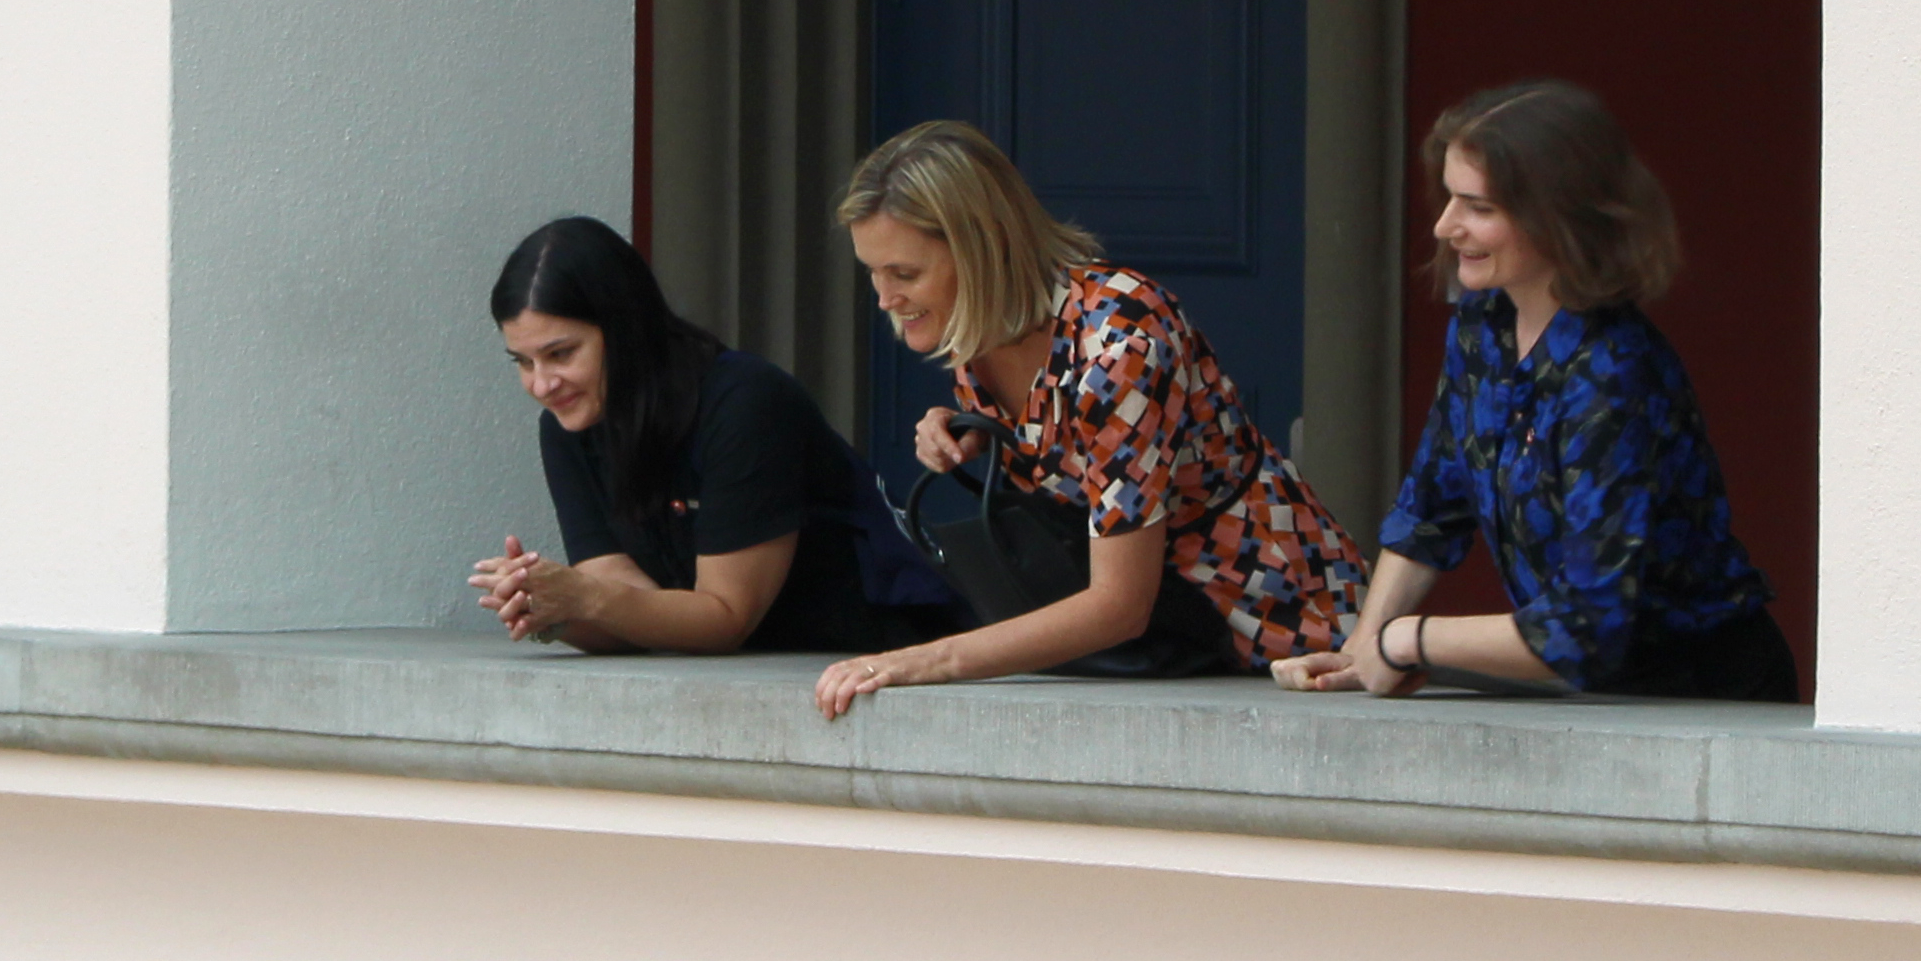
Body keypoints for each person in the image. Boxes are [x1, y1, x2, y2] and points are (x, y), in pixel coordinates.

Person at [810, 121, 1364, 719]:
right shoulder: (979, 329)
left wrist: (923, 661)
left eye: (905, 273)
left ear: (982, 249)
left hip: (1281, 634)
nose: (884, 298)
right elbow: (1078, 451)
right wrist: (968, 427)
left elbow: (1118, 604)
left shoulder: (1118, 340)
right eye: (874, 271)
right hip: (1164, 655)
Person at [1272, 81, 1796, 702]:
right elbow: (1431, 512)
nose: (1445, 226)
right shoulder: (1482, 326)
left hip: (1699, 697)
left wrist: (1410, 640)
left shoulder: (1613, 371)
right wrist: (1363, 650)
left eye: (1479, 207)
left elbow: (1584, 630)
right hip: (1593, 695)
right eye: (1448, 199)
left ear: (1559, 215)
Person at [468, 216, 906, 654]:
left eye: (560, 354)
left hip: (874, 667)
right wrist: (546, 609)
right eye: (523, 363)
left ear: (623, 328)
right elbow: (633, 615)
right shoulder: (568, 424)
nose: (542, 385)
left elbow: (724, 618)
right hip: (742, 680)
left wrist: (584, 597)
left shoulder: (744, 403)